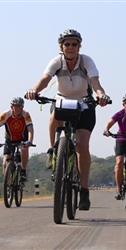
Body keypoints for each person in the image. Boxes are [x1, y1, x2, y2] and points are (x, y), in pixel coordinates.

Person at [25, 29, 110, 211]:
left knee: (81, 144)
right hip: (62, 100)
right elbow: (45, 79)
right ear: (61, 47)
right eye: (67, 44)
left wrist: (101, 95)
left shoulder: (86, 61)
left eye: (74, 44)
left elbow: (95, 82)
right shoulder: (57, 61)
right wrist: (34, 90)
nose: (70, 47)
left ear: (79, 46)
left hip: (85, 104)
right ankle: (52, 150)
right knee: (54, 114)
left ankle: (84, 191)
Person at [0, 97, 34, 182]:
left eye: (20, 106)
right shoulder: (5, 115)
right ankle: (8, 184)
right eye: (16, 106)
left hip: (22, 139)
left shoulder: (26, 115)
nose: (18, 109)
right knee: (5, 162)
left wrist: (29, 141)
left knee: (24, 149)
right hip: (10, 140)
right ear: (12, 107)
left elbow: (30, 129)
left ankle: (23, 171)